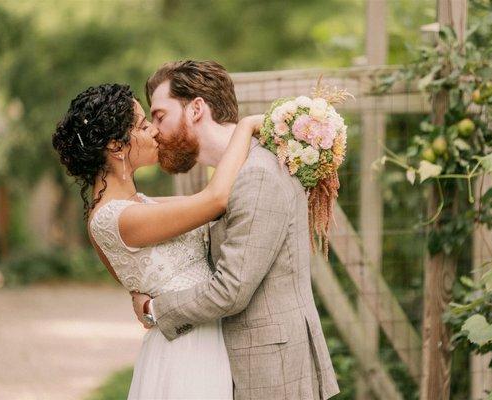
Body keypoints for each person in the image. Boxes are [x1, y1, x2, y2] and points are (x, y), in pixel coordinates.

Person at [130, 60, 339, 400]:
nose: (154, 130)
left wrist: (154, 310)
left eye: (160, 115)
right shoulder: (236, 172)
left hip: (272, 372)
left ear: (196, 108)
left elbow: (232, 288)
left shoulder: (256, 175)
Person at [52, 82, 261, 399]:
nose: (153, 131)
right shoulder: (117, 219)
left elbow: (207, 207)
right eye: (142, 125)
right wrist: (244, 128)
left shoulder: (139, 206)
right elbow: (216, 199)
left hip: (200, 343)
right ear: (116, 147)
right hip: (187, 354)